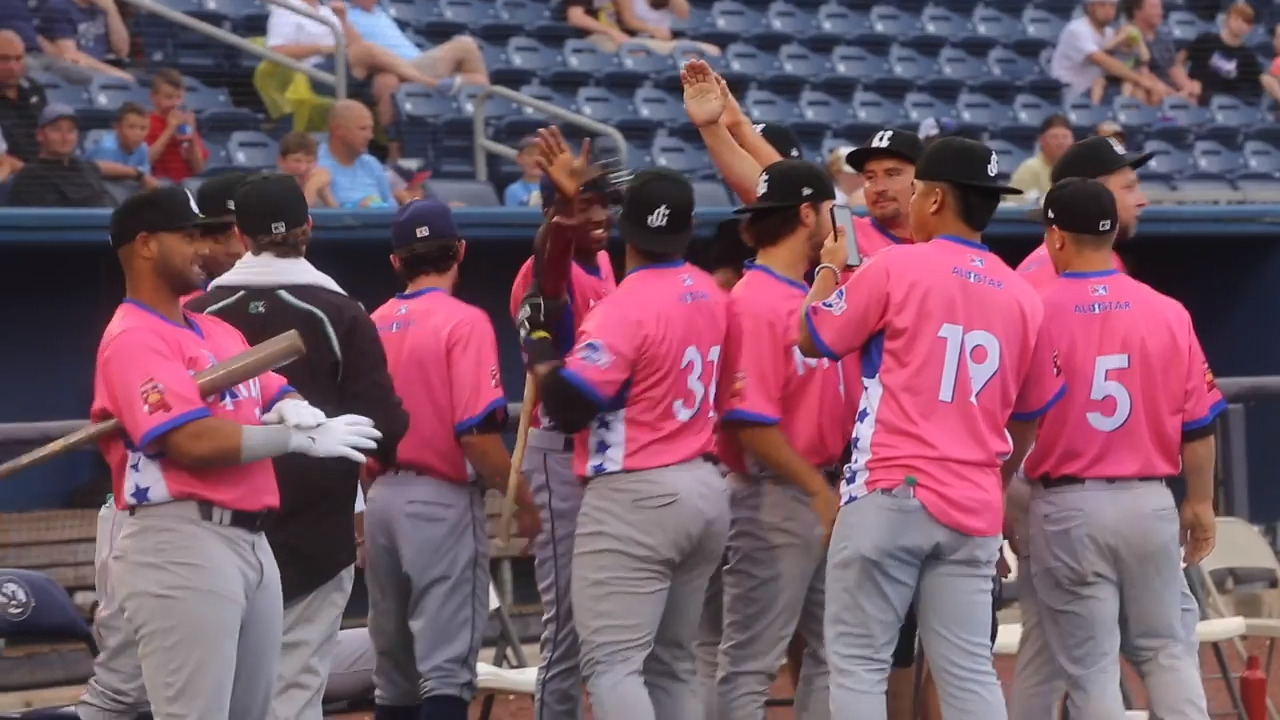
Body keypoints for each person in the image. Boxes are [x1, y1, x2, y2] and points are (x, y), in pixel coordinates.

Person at [88, 185, 383, 718]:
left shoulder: (214, 327)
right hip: (179, 538)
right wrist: (291, 440)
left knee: (257, 709)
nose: (205, 247)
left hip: (251, 540)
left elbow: (268, 384)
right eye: (190, 236)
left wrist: (293, 405)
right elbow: (189, 440)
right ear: (148, 245)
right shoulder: (132, 337)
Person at [797, 137, 1063, 720]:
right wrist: (995, 475)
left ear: (937, 198)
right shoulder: (1022, 294)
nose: (911, 201)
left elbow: (813, 336)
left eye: (916, 190)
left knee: (860, 665)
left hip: (891, 485)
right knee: (968, 671)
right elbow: (1031, 413)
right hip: (972, 502)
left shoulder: (899, 264)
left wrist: (827, 268)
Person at [187, 173, 409, 720]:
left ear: (241, 234)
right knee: (294, 688)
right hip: (314, 527)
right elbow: (384, 423)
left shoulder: (195, 311)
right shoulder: (341, 310)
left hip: (215, 524)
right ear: (309, 228)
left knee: (213, 691)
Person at [515, 166, 730, 720]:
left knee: (612, 665)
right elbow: (551, 276)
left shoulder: (627, 303)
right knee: (674, 663)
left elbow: (568, 405)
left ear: (624, 226)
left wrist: (539, 345)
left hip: (636, 488)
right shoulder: (710, 290)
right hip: (703, 482)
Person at [1006, 177, 1220, 719]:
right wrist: (1200, 502)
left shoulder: (1032, 306)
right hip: (1149, 500)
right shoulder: (1167, 310)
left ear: (1056, 237)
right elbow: (1198, 423)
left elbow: (1011, 417)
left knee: (1091, 665)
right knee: (1168, 649)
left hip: (1068, 503)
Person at [366, 199, 541, 720]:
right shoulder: (465, 322)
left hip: (381, 499)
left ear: (397, 261)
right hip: (439, 502)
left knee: (393, 676)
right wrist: (525, 504)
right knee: (445, 672)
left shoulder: (374, 321)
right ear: (460, 251)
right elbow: (477, 438)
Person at [713, 158, 845, 720]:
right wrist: (816, 489)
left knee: (836, 655)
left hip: (822, 490)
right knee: (750, 661)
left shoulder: (807, 291)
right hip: (777, 494)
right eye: (830, 214)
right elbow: (747, 422)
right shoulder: (752, 300)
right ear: (808, 214)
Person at [507, 128, 617, 720]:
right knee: (569, 626)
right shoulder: (544, 265)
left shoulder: (602, 262)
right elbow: (550, 276)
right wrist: (566, 212)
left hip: (606, 454)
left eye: (601, 202)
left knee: (613, 622)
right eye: (583, 201)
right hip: (558, 452)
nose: (596, 213)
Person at [1049, 0, 1167, 104]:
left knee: (1148, 89)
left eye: (1112, 5)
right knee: (1139, 92)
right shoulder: (1076, 30)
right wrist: (1141, 80)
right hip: (1077, 93)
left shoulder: (1110, 33)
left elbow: (1137, 56)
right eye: (1102, 4)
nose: (1108, 9)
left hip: (1104, 89)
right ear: (1090, 7)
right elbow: (1105, 62)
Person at [8, 103, 114, 208]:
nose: (65, 137)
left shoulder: (83, 167)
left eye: (70, 130)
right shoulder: (31, 178)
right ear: (40, 135)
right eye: (56, 130)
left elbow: (100, 167)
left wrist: (131, 172)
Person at [1182, 1, 1268, 105]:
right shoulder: (1205, 40)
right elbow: (1178, 62)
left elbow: (1257, 85)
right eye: (1236, 19)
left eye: (1246, 21)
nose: (1239, 24)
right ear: (1227, 19)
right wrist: (1188, 84)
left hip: (1227, 106)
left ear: (1250, 28)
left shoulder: (1248, 58)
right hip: (1196, 98)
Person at [317, 99, 396, 208]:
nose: (370, 136)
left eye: (370, 129)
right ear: (338, 130)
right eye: (363, 129)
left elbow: (392, 209)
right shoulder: (315, 166)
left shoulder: (372, 164)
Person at [146, 69, 209, 182]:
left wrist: (192, 135)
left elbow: (200, 168)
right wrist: (170, 129)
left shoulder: (185, 121)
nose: (175, 103)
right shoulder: (146, 122)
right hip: (159, 186)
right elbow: (146, 160)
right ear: (154, 97)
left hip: (187, 185)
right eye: (169, 97)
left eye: (179, 97)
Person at [87, 102, 160, 190]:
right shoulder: (107, 148)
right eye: (131, 127)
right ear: (117, 128)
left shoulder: (143, 148)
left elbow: (146, 179)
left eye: (143, 128)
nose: (138, 133)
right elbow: (100, 184)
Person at [1009, 115, 1075, 198]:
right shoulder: (1029, 168)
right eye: (1054, 137)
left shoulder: (1078, 170)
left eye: (1065, 137)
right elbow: (1015, 205)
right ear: (1041, 140)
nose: (1060, 142)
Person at [278, 131, 337, 208]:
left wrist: (324, 190)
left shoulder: (316, 181)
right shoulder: (271, 185)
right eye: (297, 161)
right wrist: (312, 187)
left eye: (309, 161)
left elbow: (338, 216)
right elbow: (298, 215)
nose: (303, 168)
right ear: (282, 161)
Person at [503, 137, 544, 207]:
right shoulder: (513, 190)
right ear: (519, 158)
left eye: (541, 155)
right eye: (530, 154)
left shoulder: (559, 188)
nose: (535, 159)